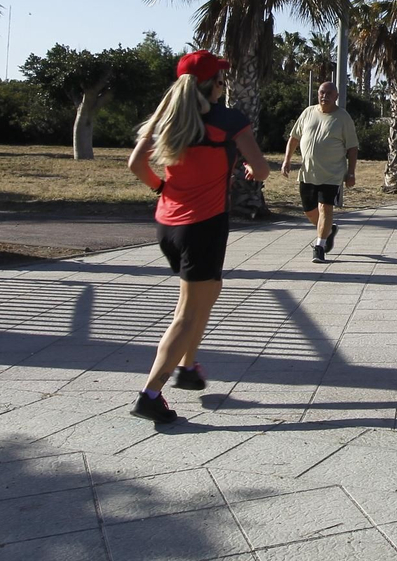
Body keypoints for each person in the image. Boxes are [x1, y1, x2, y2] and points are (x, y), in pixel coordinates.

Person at [127, 49, 269, 426]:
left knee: (209, 290)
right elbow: (261, 169)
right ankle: (150, 394)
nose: (224, 84)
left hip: (168, 225)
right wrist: (251, 172)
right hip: (204, 226)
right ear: (213, 85)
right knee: (186, 315)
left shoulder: (168, 117)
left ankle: (188, 368)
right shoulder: (228, 120)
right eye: (221, 79)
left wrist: (161, 187)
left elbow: (135, 164)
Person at [282, 81, 358, 263]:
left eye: (329, 93)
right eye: (322, 92)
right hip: (308, 172)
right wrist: (286, 160)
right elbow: (294, 138)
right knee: (309, 211)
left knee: (325, 207)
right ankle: (328, 230)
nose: (325, 96)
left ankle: (319, 247)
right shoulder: (308, 112)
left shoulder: (343, 117)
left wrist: (351, 172)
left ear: (336, 96)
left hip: (332, 173)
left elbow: (353, 147)